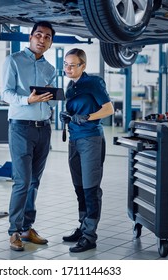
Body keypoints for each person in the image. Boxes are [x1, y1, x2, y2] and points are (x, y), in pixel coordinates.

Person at [1, 21, 57, 251]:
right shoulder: (13, 60)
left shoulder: (50, 69)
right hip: (21, 128)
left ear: (51, 42)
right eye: (38, 35)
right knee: (22, 181)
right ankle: (13, 231)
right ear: (30, 37)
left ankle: (26, 229)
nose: (42, 40)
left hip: (43, 128)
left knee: (34, 182)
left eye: (47, 37)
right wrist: (28, 100)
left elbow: (49, 96)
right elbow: (5, 93)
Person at [59, 48, 114, 253]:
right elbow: (77, 110)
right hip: (74, 140)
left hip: (91, 139)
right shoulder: (71, 86)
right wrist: (68, 116)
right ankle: (83, 227)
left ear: (83, 66)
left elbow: (108, 109)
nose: (68, 68)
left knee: (91, 189)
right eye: (66, 64)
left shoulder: (94, 82)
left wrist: (88, 117)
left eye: (73, 65)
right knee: (79, 188)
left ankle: (90, 236)